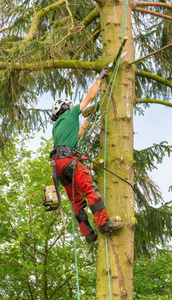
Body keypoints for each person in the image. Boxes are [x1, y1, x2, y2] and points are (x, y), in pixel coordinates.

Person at [50, 68, 124, 244]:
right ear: (65, 107)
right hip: (70, 161)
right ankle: (104, 223)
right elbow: (90, 97)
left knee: (76, 200)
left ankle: (88, 234)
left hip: (58, 166)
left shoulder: (58, 126)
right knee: (90, 189)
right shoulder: (70, 113)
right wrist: (99, 79)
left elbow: (77, 135)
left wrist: (90, 120)